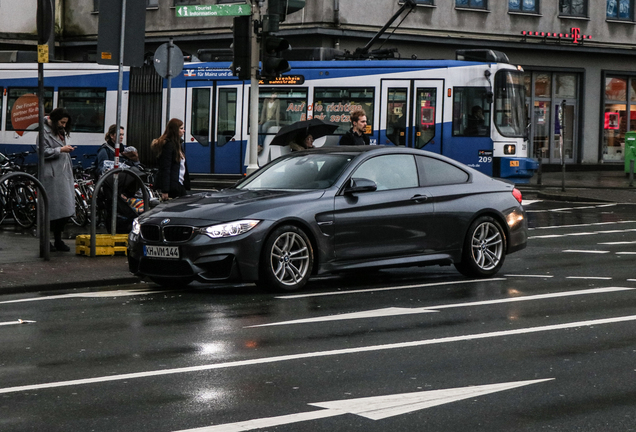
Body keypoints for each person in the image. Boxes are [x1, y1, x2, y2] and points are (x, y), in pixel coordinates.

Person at [37, 108, 76, 252]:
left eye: (66, 123)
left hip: (62, 175)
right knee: (51, 211)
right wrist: (60, 150)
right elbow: (41, 151)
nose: (64, 126)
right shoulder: (44, 132)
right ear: (54, 120)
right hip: (51, 177)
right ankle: (47, 241)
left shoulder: (59, 131)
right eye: (62, 122)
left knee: (64, 211)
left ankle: (58, 240)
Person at [151, 118, 190, 200]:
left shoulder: (178, 145)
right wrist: (165, 190)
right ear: (175, 130)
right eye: (181, 128)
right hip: (173, 185)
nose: (184, 131)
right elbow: (166, 168)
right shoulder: (169, 146)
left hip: (179, 183)